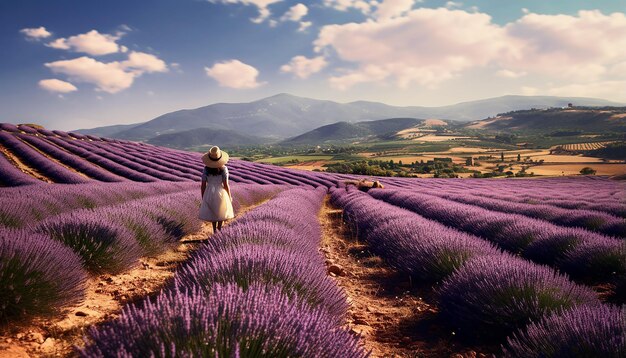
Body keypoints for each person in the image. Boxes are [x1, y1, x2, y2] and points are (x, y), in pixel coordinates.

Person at [199, 146, 234, 233]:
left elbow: (203, 185)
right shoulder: (224, 169)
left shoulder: (206, 169)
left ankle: (214, 230)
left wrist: (203, 196)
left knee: (212, 211)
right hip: (220, 191)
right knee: (221, 211)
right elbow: (226, 184)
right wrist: (229, 197)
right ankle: (219, 229)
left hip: (209, 191)